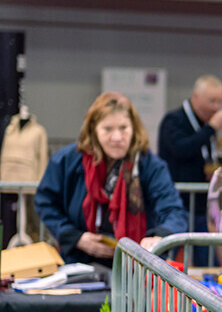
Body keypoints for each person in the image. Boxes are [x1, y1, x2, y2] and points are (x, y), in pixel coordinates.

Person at [34, 92, 187, 266]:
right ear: (93, 130)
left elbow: (174, 210)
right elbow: (45, 202)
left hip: (137, 266)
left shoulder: (150, 165)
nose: (117, 137)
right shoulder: (67, 161)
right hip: (80, 262)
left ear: (134, 128)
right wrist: (75, 237)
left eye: (123, 128)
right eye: (108, 129)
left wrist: (159, 237)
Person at [158, 75, 222, 264]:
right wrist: (210, 129)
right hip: (177, 204)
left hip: (200, 206)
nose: (216, 107)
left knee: (208, 261)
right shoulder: (174, 120)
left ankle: (210, 292)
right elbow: (181, 149)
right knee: (167, 257)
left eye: (219, 101)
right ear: (196, 98)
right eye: (211, 101)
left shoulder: (204, 124)